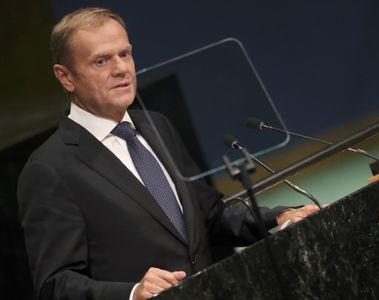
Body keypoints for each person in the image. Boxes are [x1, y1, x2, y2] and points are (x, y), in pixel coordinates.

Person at [17, 7, 319, 300]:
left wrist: (276, 218)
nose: (121, 68)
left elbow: (209, 218)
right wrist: (133, 293)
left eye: (125, 54)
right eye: (101, 61)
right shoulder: (50, 168)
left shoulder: (157, 126)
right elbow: (55, 284)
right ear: (65, 77)